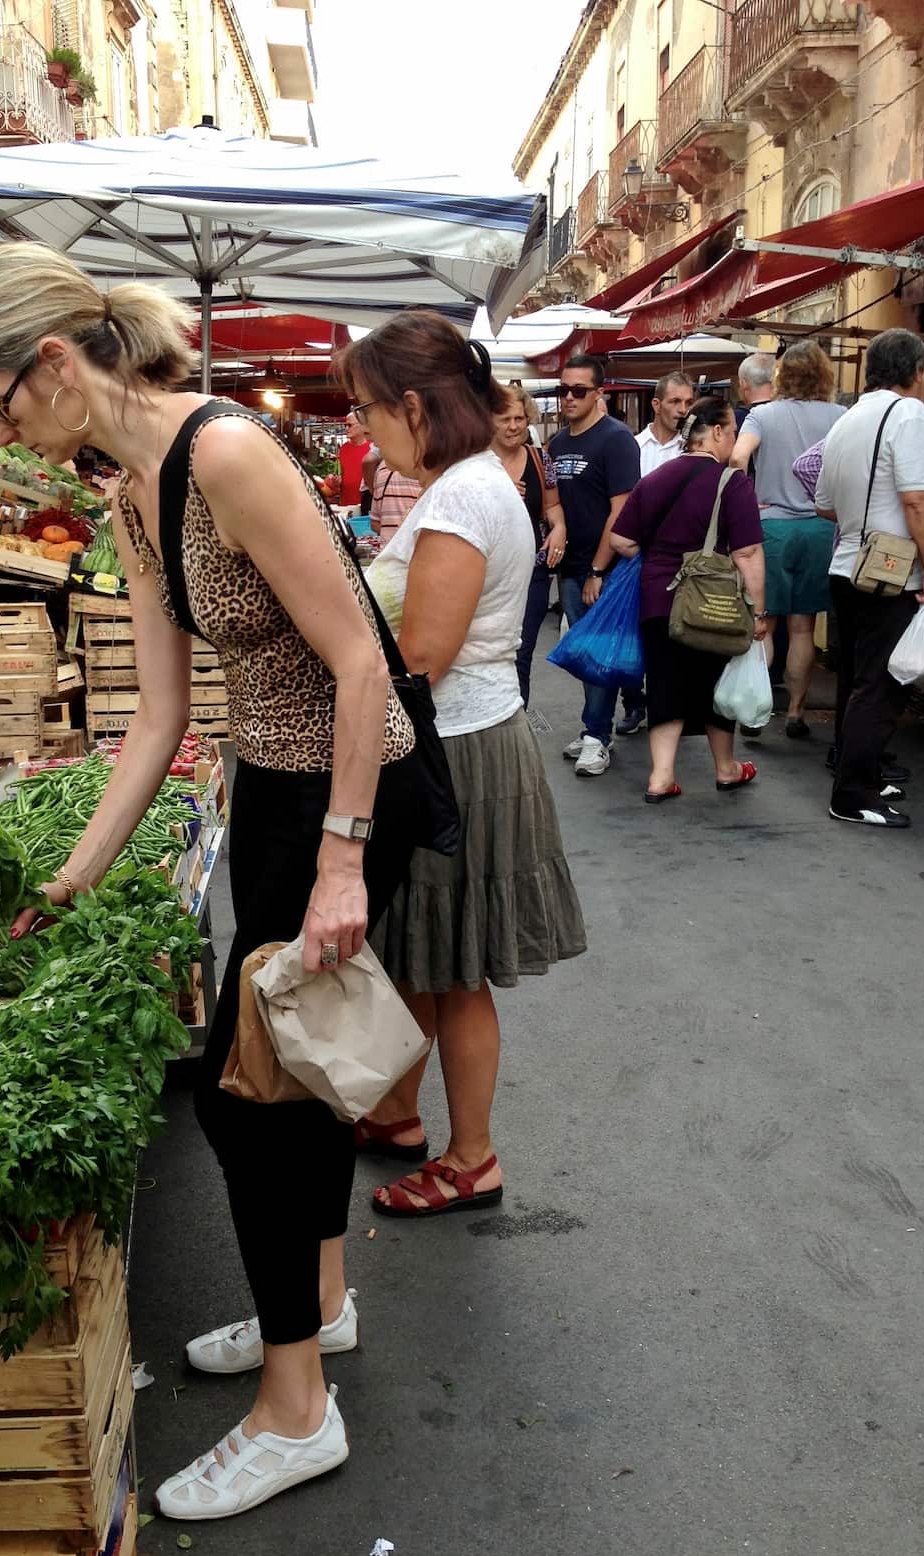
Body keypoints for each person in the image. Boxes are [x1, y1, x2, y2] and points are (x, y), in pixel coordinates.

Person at [0, 241, 424, 1521]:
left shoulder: (225, 453)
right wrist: (72, 878)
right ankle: (316, 1304)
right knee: (296, 1067)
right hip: (272, 785)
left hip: (349, 792)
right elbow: (157, 719)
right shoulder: (132, 498)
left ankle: (295, 1411)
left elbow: (359, 663)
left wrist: (340, 861)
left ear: (54, 363)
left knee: (247, 1099)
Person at [332, 313, 586, 1213]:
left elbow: (421, 658)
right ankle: (399, 1114)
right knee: (424, 953)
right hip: (467, 738)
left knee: (457, 964)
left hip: (457, 751)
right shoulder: (474, 484)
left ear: (412, 405)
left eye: (367, 410)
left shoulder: (459, 498)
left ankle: (472, 1156)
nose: (364, 430)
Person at [608, 396, 769, 802]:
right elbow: (747, 553)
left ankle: (660, 777)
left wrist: (659, 557)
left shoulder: (655, 479)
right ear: (716, 432)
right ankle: (726, 769)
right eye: (732, 431)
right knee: (714, 683)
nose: (734, 439)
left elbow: (621, 540)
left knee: (663, 683)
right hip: (712, 602)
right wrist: (759, 611)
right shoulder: (732, 482)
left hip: (657, 599)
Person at [815, 328, 924, 830]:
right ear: (916, 370)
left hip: (847, 565)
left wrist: (863, 520)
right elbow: (918, 499)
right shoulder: (911, 413)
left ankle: (855, 773)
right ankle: (853, 795)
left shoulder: (848, 417)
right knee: (882, 687)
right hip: (892, 573)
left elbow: (823, 503)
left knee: (856, 681)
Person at [730, 340, 844, 738]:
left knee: (764, 623)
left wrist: (747, 499)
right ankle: (796, 713)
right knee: (803, 628)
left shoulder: (762, 415)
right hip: (819, 528)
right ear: (824, 375)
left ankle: (756, 713)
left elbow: (737, 457)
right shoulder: (840, 416)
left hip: (772, 529)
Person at [547, 354, 643, 770]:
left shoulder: (616, 439)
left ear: (598, 393)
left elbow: (620, 512)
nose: (569, 397)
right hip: (570, 567)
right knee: (587, 654)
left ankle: (597, 735)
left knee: (598, 654)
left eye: (578, 390)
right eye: (563, 389)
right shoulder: (557, 443)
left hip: (605, 569)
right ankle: (599, 726)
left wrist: (598, 570)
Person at [491, 382, 566, 707]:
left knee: (521, 654)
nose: (513, 426)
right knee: (491, 654)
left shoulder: (539, 458)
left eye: (519, 418)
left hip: (532, 571)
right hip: (487, 573)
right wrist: (497, 489)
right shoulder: (477, 462)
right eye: (505, 419)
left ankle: (517, 722)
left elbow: (552, 505)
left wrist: (559, 527)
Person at [635, 371, 694, 476]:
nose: (683, 409)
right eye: (675, 401)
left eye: (688, 403)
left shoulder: (692, 449)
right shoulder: (635, 446)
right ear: (656, 405)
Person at [368, 457, 421, 547]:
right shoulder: (425, 471)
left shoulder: (382, 469)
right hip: (415, 549)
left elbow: (375, 524)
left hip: (388, 550)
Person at [337, 410, 372, 506]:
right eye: (345, 425)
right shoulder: (343, 448)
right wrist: (337, 482)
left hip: (366, 504)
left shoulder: (373, 448)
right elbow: (342, 475)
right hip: (346, 503)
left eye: (350, 425)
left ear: (362, 425)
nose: (346, 428)